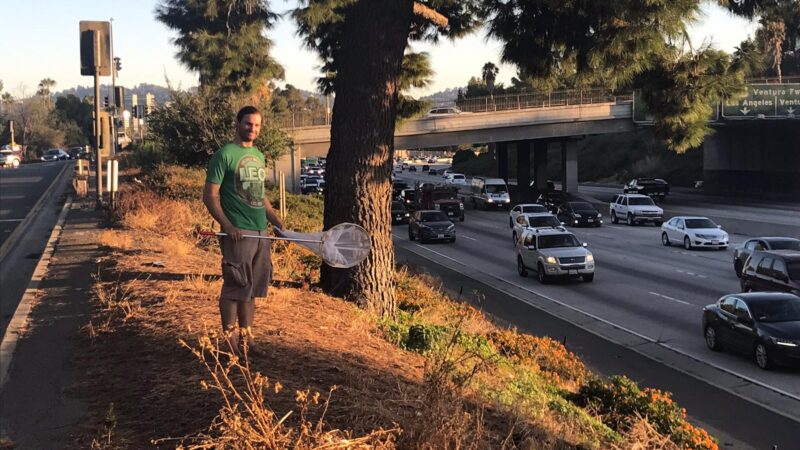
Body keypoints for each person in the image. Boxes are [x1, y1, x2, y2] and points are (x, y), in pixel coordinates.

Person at [202, 105, 284, 357]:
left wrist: (276, 221)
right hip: (239, 233)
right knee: (234, 286)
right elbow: (210, 196)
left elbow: (259, 195)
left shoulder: (259, 156)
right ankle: (229, 342)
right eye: (248, 124)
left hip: (260, 233)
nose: (253, 129)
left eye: (257, 125)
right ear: (238, 124)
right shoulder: (224, 154)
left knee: (251, 290)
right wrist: (228, 226)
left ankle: (247, 340)